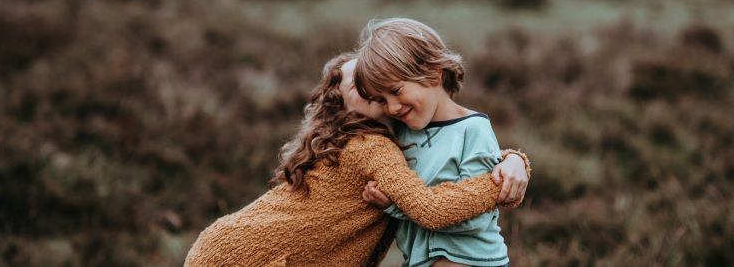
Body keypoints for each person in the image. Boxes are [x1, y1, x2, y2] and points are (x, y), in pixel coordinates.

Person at [185, 52, 530, 267]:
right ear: (342, 104)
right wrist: (498, 183)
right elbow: (430, 207)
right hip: (250, 255)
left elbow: (443, 153)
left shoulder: (395, 134)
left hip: (223, 244)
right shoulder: (369, 145)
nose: (371, 85)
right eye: (360, 85)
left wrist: (513, 158)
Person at [355, 18, 528, 267]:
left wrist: (397, 207)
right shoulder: (398, 135)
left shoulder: (473, 129)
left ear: (433, 73)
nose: (391, 107)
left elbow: (475, 217)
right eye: (380, 99)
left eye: (395, 91)